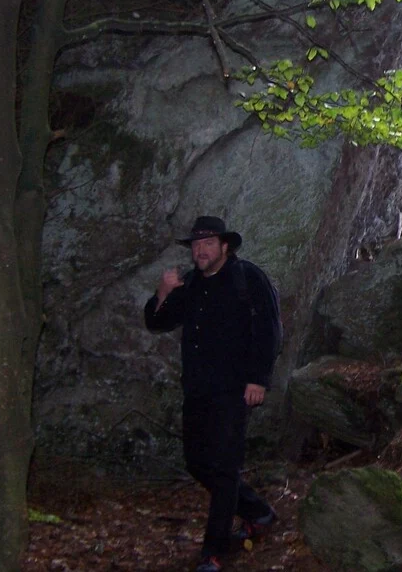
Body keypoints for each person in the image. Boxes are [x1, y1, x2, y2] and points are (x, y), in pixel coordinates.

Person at [144, 216, 280, 572]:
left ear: (225, 246)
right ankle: (258, 511)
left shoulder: (248, 278)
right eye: (195, 244)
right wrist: (162, 292)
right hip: (198, 390)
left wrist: (258, 379)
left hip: (234, 391)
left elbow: (269, 330)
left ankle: (213, 553)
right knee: (196, 462)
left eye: (207, 243)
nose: (200, 250)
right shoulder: (189, 284)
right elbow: (157, 322)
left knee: (223, 469)